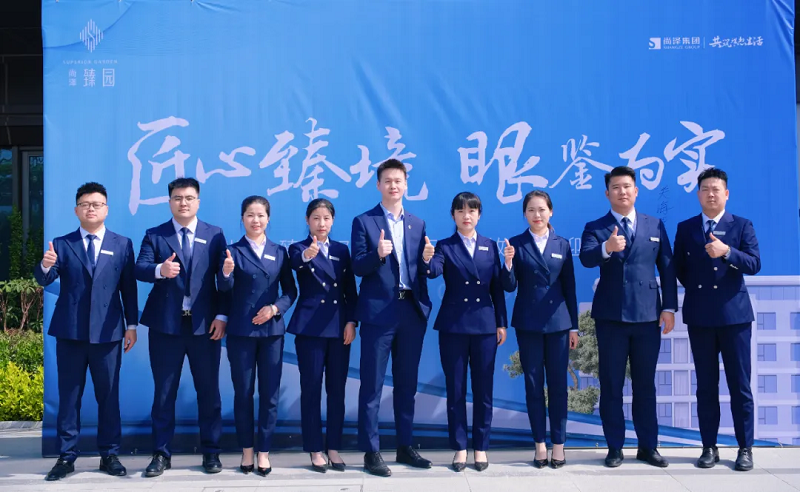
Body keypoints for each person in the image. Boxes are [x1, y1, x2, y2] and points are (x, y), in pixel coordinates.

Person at [35, 182, 138, 481]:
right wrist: (45, 265)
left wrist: (131, 325)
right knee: (69, 397)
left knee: (109, 396)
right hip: (71, 333)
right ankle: (66, 457)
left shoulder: (122, 244)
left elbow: (128, 288)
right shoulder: (62, 244)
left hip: (108, 333)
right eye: (85, 204)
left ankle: (110, 454)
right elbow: (45, 279)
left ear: (106, 209)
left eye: (96, 204)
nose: (91, 208)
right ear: (76, 210)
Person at [579, 166, 678, 468]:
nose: (622, 192)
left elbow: (667, 267)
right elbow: (586, 258)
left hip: (648, 317)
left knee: (645, 385)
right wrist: (606, 248)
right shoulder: (596, 227)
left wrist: (669, 307)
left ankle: (648, 446)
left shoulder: (654, 224)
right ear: (607, 193)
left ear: (636, 191)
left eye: (627, 186)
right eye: (616, 187)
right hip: (611, 318)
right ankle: (614, 447)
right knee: (611, 385)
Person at [135, 177, 229, 476]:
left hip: (205, 326)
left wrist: (222, 315)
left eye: (189, 198)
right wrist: (159, 270)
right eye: (177, 198)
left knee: (209, 391)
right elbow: (140, 268)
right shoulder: (155, 234)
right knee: (164, 393)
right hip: (166, 327)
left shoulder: (214, 234)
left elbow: (223, 280)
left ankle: (211, 452)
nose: (183, 203)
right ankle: (161, 454)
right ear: (170, 202)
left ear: (198, 201)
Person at [673, 168, 760, 471]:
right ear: (698, 194)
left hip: (735, 318)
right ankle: (709, 446)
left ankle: (745, 448)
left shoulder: (742, 225)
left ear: (726, 194)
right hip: (700, 317)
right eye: (705, 189)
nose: (711, 194)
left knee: (740, 386)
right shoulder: (686, 228)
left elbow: (754, 263)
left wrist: (728, 252)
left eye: (716, 189)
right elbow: (679, 268)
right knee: (706, 386)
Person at [350, 158, 433, 477]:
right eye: (388, 181)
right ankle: (371, 451)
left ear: (406, 185)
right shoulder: (364, 221)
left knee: (406, 384)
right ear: (378, 185)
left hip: (410, 311)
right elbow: (358, 266)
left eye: (398, 181)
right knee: (371, 385)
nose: (393, 185)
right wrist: (377, 255)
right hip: (378, 314)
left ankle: (405, 445)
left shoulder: (417, 223)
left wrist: (427, 261)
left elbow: (421, 268)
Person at [425, 192, 507, 472]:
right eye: (460, 211)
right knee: (456, 389)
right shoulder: (444, 246)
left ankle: (481, 447)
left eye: (471, 210)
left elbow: (497, 287)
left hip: (485, 326)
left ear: (479, 215)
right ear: (453, 215)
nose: (466, 215)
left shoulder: (490, 245)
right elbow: (434, 270)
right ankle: (460, 447)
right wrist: (427, 260)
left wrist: (501, 322)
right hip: (454, 326)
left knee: (484, 390)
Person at [219, 195, 298, 476]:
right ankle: (247, 450)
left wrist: (275, 308)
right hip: (241, 332)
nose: (256, 220)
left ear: (268, 218)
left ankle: (264, 451)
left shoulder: (279, 252)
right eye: (250, 215)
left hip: (272, 333)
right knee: (243, 393)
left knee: (269, 394)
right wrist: (225, 275)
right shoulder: (232, 251)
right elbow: (223, 290)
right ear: (242, 218)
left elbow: (290, 291)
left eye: (261, 215)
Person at [500, 190, 578, 469]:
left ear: (550, 211)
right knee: (533, 385)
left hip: (558, 324)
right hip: (529, 324)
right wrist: (508, 264)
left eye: (542, 209)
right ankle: (539, 445)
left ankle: (559, 445)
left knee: (558, 386)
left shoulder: (562, 244)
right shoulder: (516, 244)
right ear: (525, 214)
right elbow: (509, 286)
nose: (537, 215)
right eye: (531, 210)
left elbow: (569, 287)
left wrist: (574, 327)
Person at [287, 198, 358, 473]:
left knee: (337, 390)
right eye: (316, 218)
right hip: (310, 330)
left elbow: (350, 290)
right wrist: (308, 255)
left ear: (333, 220)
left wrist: (351, 321)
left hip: (339, 328)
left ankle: (334, 447)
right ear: (307, 221)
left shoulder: (341, 249)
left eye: (326, 218)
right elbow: (297, 263)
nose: (321, 223)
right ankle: (315, 449)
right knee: (312, 389)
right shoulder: (298, 248)